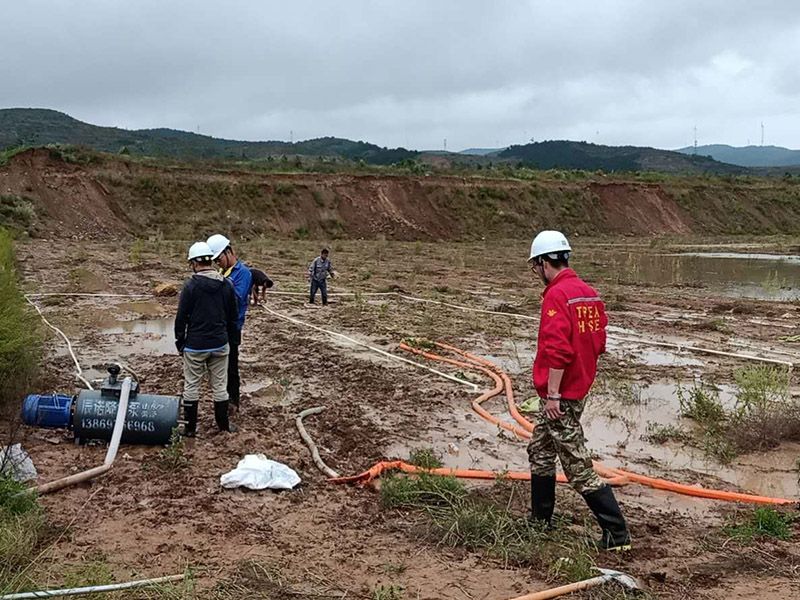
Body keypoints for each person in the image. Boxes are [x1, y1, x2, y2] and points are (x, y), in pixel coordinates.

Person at [526, 230, 631, 552]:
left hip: (562, 397)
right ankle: (540, 521)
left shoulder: (557, 296)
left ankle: (617, 535)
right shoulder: (589, 294)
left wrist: (554, 395)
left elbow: (558, 350)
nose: (536, 273)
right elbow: (599, 344)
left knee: (578, 467)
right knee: (540, 451)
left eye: (536, 266)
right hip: (574, 390)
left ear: (545, 262)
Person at [174, 242, 239, 435]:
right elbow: (232, 317)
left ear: (194, 263)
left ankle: (190, 429)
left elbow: (181, 318)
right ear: (210, 260)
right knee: (220, 386)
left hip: (195, 346)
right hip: (220, 344)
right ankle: (223, 426)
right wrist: (228, 339)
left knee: (192, 385)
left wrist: (180, 343)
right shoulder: (226, 284)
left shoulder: (190, 286)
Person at [206, 234, 252, 411]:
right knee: (218, 366)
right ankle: (222, 397)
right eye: (215, 261)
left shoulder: (244, 273)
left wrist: (221, 283)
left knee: (231, 366)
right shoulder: (222, 273)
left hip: (232, 327)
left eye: (219, 259)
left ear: (229, 251)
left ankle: (233, 400)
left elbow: (237, 298)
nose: (218, 263)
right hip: (219, 326)